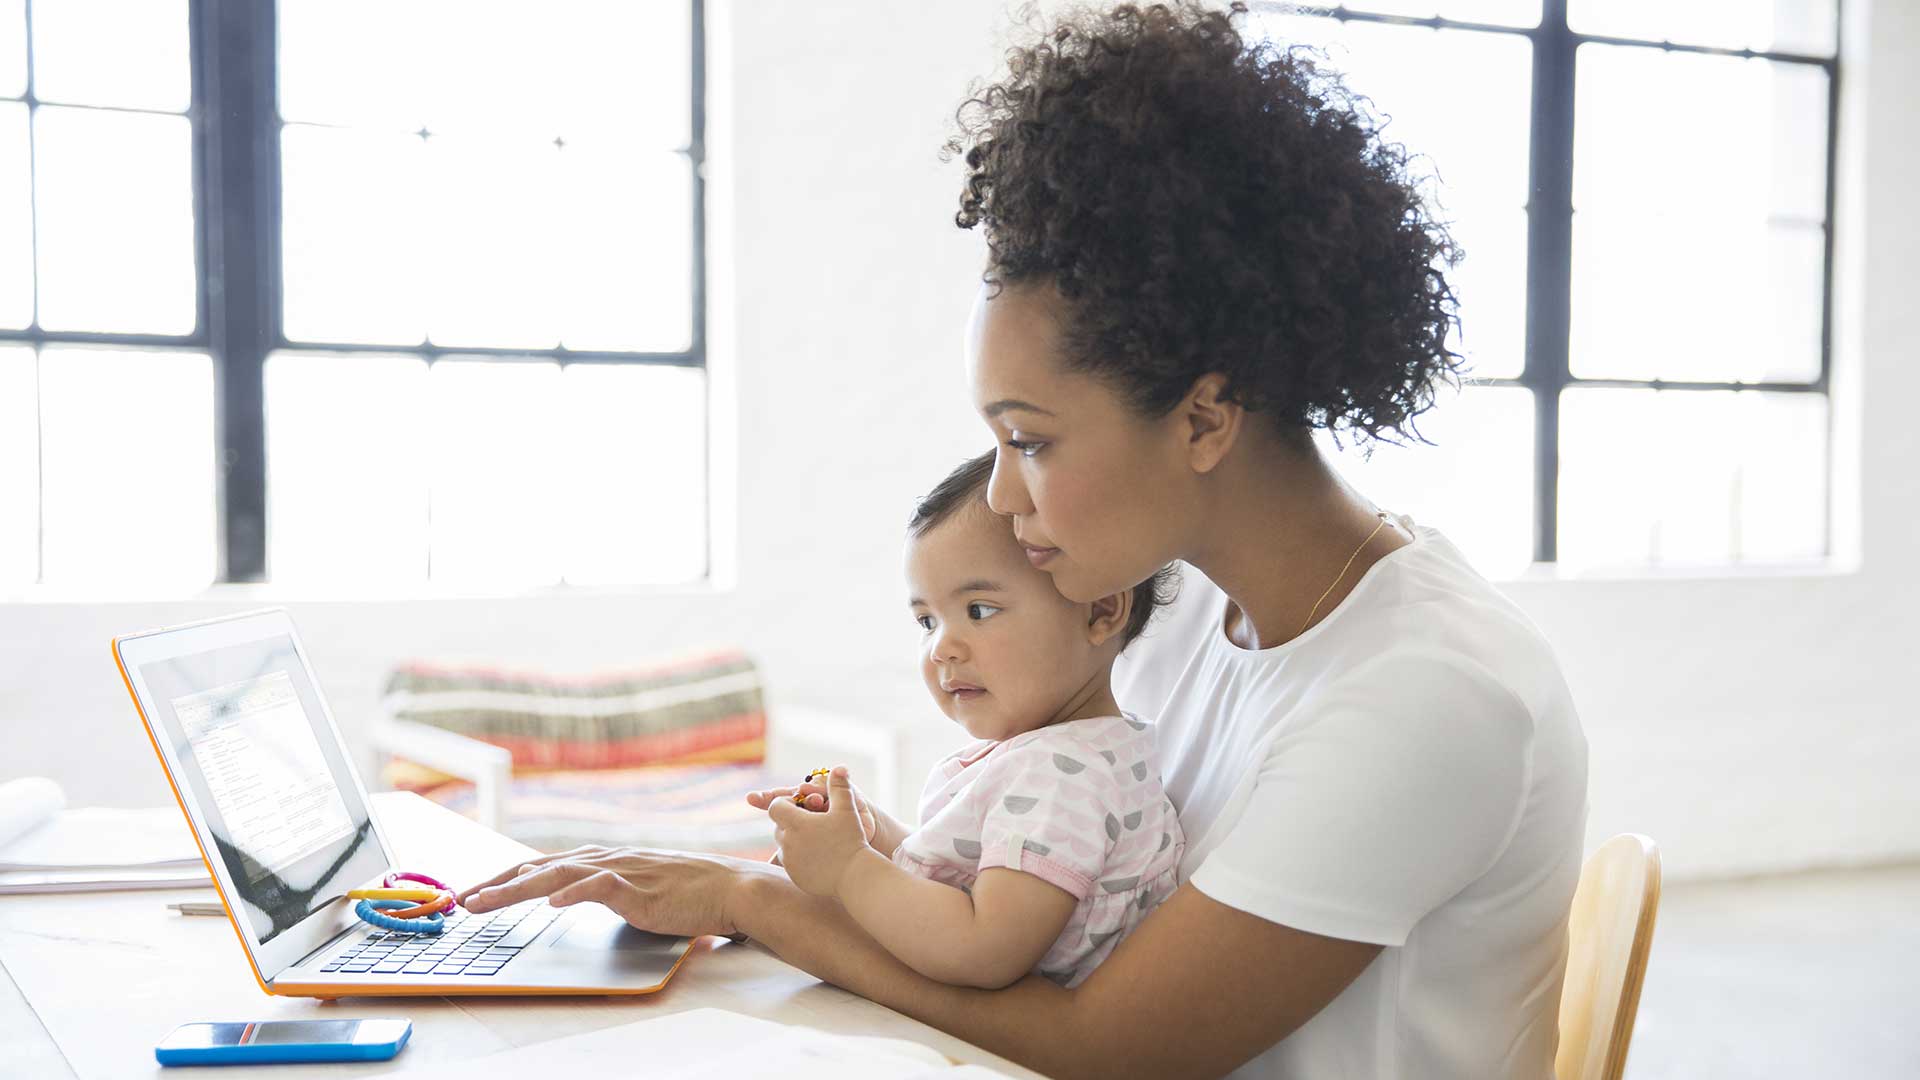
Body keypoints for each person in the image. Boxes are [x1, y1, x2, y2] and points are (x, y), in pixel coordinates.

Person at [455, 4, 1588, 1076]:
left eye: (1029, 440)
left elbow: (1111, 1048)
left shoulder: (1424, 695)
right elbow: (1067, 891)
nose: (1000, 497)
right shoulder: (1182, 607)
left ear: (1204, 416)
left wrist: (754, 903)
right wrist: (839, 865)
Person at [765, 451, 1184, 991]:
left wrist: (849, 868)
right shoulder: (1083, 753)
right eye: (926, 620)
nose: (942, 648)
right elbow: (970, 882)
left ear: (1101, 610)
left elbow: (984, 948)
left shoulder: (1062, 773)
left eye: (979, 610)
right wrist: (877, 838)